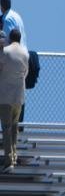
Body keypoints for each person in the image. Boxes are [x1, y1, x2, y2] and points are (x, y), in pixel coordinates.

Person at [1, 29, 28, 172]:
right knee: (14, 128)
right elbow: (26, 73)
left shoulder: (4, 52)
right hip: (19, 96)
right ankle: (15, 157)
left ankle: (8, 161)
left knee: (6, 128)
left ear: (10, 38)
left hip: (5, 96)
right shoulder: (25, 53)